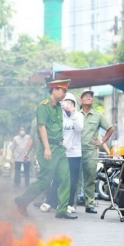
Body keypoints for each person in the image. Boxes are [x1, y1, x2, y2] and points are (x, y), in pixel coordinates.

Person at [14, 79, 77, 220]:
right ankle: (22, 200)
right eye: (63, 91)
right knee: (45, 180)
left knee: (66, 178)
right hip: (48, 147)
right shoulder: (44, 106)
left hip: (60, 148)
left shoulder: (59, 107)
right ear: (54, 90)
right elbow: (41, 127)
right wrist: (47, 148)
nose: (65, 94)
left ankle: (61, 210)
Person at [40, 92, 84, 214]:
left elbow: (79, 128)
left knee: (73, 180)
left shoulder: (79, 115)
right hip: (61, 152)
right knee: (57, 178)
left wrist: (73, 113)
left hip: (74, 153)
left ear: (74, 104)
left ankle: (69, 204)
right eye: (65, 102)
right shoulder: (59, 116)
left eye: (70, 102)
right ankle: (50, 201)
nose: (67, 105)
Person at [80, 89, 114, 214]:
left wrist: (102, 142)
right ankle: (71, 204)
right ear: (81, 100)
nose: (89, 97)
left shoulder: (98, 115)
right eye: (86, 96)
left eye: (90, 96)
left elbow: (110, 128)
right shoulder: (76, 114)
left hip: (91, 150)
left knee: (90, 177)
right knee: (75, 178)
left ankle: (89, 204)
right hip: (76, 150)